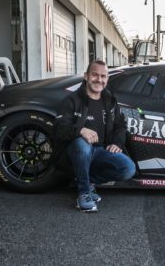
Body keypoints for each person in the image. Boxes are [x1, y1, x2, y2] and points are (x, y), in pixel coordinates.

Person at [55, 60, 136, 212]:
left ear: (107, 79)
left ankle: (86, 180)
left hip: (100, 151)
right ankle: (83, 193)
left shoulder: (110, 101)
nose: (99, 79)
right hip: (74, 153)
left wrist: (117, 143)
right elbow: (60, 129)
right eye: (95, 75)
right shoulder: (72, 100)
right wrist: (80, 130)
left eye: (103, 76)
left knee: (128, 169)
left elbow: (120, 126)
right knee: (82, 144)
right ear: (86, 76)